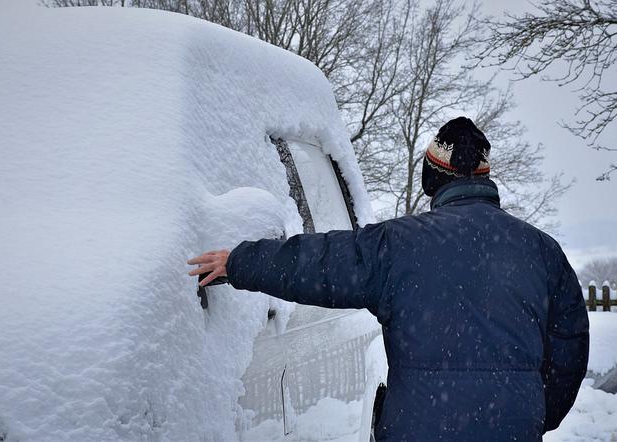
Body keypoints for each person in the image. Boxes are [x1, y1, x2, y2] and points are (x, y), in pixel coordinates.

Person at [187, 117, 589, 441]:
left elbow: (318, 263)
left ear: (432, 178)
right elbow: (569, 352)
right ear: (484, 178)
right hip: (512, 429)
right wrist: (530, 412)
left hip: (418, 429)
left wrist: (240, 262)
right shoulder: (542, 251)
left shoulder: (398, 245)